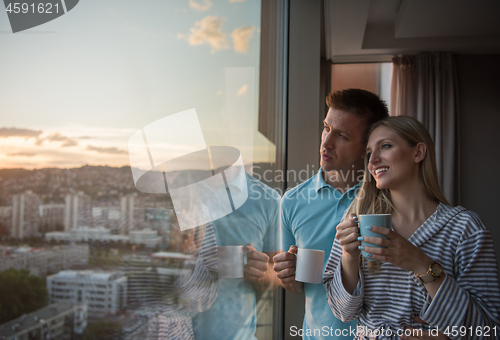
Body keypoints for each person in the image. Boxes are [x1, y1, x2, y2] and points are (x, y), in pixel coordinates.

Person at [323, 116, 500, 340]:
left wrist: (422, 264)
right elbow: (343, 313)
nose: (373, 160)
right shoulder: (356, 218)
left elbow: (488, 331)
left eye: (385, 146)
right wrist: (349, 257)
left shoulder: (465, 228)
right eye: (369, 153)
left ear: (418, 153)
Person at [273, 89, 389, 339]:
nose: (326, 143)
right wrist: (287, 275)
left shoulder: (389, 199)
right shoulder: (292, 202)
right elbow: (298, 287)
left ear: (365, 148)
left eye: (342, 135)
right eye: (326, 128)